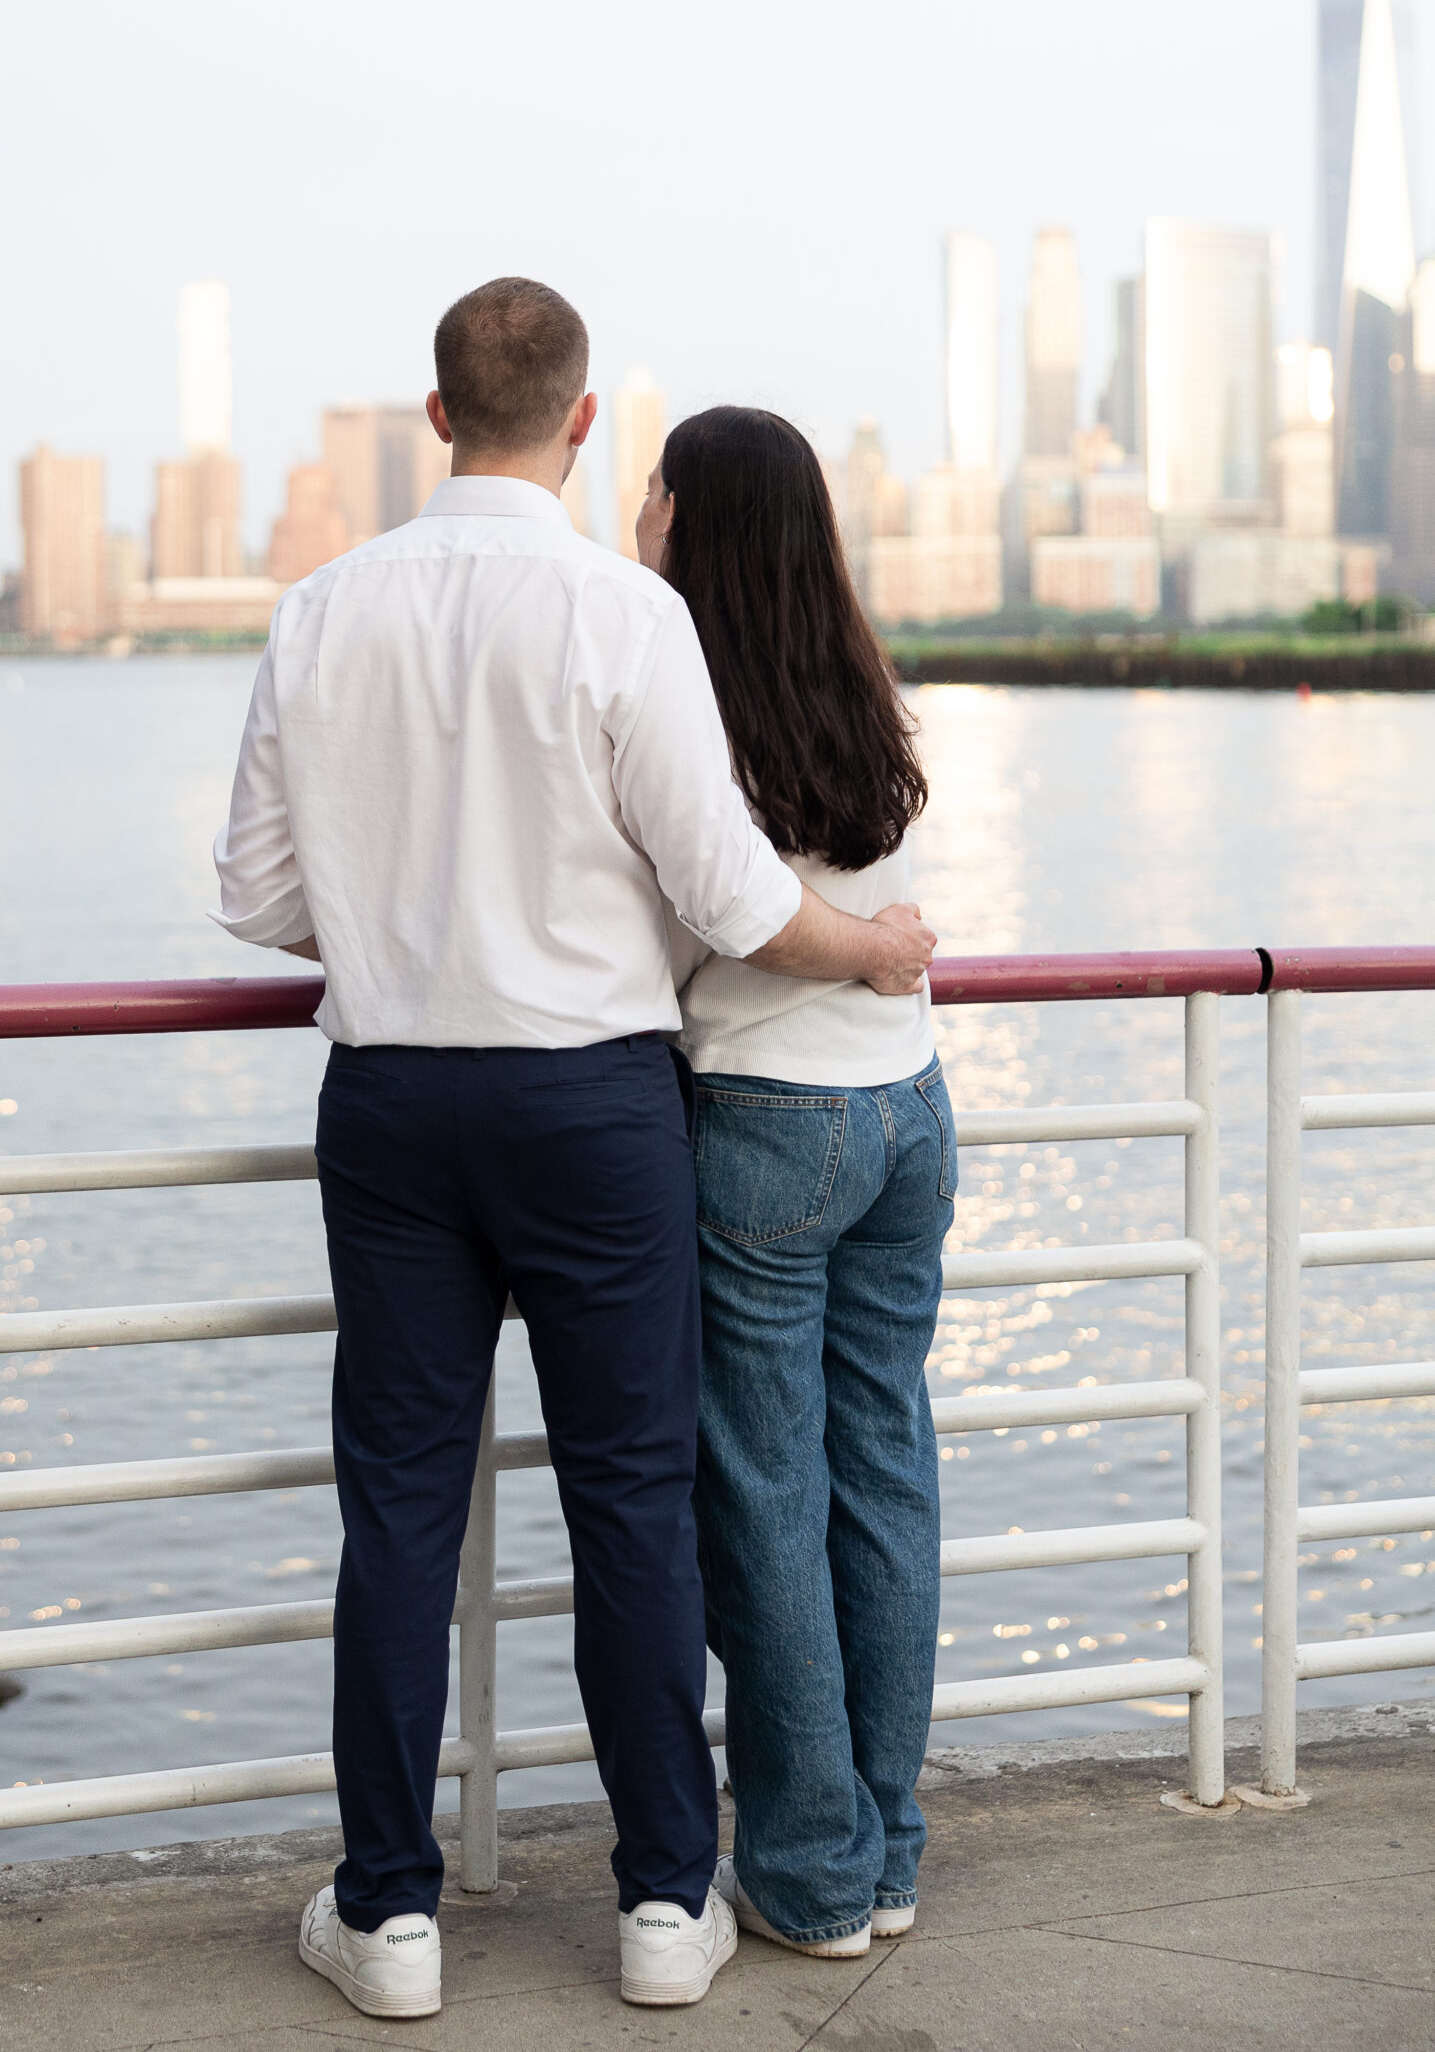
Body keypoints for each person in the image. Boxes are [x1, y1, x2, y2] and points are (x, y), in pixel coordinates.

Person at [213, 280, 935, 2021]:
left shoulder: (320, 611)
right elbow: (727, 889)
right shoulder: (625, 616)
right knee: (634, 1504)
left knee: (396, 1510)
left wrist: (407, 925)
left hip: (393, 1102)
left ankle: (388, 1918)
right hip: (599, 1108)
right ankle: (665, 1906)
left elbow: (250, 896)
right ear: (585, 420)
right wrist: (871, 945)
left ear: (438, 412)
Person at [635, 404, 948, 1963]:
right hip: (906, 1112)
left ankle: (816, 1882)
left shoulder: (688, 691)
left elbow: (728, 912)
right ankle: (887, 1854)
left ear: (693, 521)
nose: (637, 512)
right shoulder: (857, 678)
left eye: (653, 494)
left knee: (765, 1500)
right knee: (881, 1472)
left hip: (767, 1120)